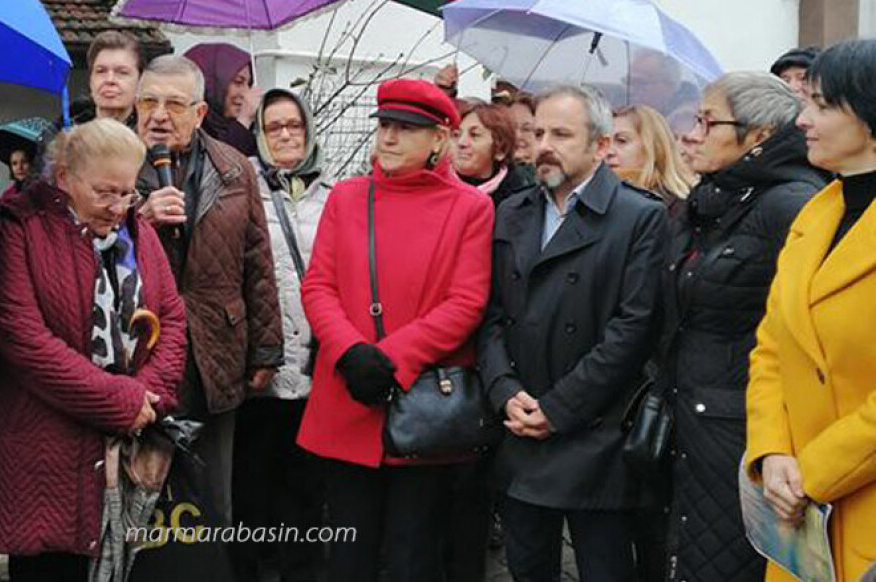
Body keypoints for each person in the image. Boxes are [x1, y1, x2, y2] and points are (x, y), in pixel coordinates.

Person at [0, 118, 187, 582]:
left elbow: (171, 318)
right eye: (104, 192)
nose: (118, 207)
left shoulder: (138, 232)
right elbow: (21, 339)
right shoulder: (20, 227)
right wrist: (122, 400)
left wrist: (148, 395)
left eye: (127, 193)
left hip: (125, 450)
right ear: (65, 177)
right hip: (42, 449)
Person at [296, 78, 494, 582]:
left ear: (440, 139)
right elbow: (319, 285)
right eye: (385, 125)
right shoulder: (347, 196)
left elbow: (466, 301)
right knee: (345, 554)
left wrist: (393, 359)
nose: (389, 137)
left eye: (407, 128)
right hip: (349, 393)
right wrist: (351, 353)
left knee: (413, 557)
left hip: (419, 403)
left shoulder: (471, 207)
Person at [478, 84, 667, 582]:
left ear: (601, 147)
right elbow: (492, 314)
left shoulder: (640, 217)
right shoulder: (512, 212)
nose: (544, 144)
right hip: (520, 429)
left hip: (595, 436)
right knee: (527, 568)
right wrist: (505, 391)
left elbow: (633, 330)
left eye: (562, 134)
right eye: (538, 132)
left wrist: (559, 409)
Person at [659, 71, 822, 582]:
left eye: (708, 121)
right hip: (695, 420)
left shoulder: (790, 204)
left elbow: (796, 333)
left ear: (759, 135)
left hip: (744, 433)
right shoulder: (716, 199)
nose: (692, 133)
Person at [134, 55, 283, 526]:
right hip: (139, 349)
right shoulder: (110, 161)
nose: (158, 114)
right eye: (149, 101)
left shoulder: (235, 168)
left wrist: (265, 348)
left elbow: (257, 260)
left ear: (199, 113)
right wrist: (139, 217)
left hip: (213, 348)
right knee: (140, 489)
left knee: (211, 493)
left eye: (174, 103)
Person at [747, 38, 876, 582]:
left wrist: (814, 473)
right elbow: (771, 349)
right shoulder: (816, 214)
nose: (802, 119)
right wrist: (772, 450)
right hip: (800, 521)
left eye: (821, 104)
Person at [232, 88, 331, 582]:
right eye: (274, 127)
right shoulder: (241, 189)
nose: (286, 134)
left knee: (306, 493)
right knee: (252, 492)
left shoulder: (335, 196)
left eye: (294, 125)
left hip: (317, 369)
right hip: (260, 369)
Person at [607, 104, 697, 217]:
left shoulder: (681, 207)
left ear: (653, 147)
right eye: (604, 142)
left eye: (621, 141)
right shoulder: (589, 200)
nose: (608, 152)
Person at [182, 43, 260, 156]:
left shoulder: (250, 130)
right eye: (238, 82)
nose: (246, 93)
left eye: (248, 84)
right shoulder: (186, 131)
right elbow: (222, 164)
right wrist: (244, 120)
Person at [454, 101, 534, 205]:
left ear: (500, 150)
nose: (461, 143)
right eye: (456, 135)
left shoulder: (520, 202)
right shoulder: (434, 186)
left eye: (474, 135)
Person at [88, 31, 143, 125]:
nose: (110, 80)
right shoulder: (66, 134)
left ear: (140, 81)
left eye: (122, 72)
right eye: (101, 71)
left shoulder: (152, 135)